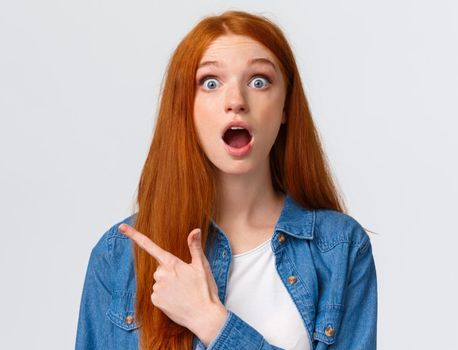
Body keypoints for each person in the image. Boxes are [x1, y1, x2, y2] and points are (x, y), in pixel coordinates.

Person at [75, 10, 377, 350]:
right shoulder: (118, 257)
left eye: (259, 81)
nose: (236, 102)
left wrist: (211, 322)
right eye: (210, 83)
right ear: (185, 108)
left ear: (285, 109)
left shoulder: (339, 247)